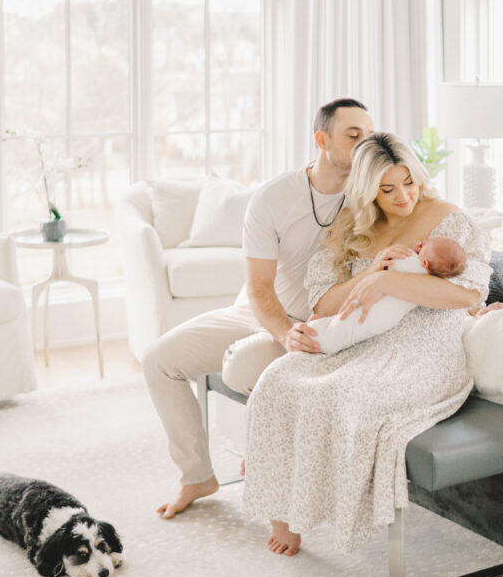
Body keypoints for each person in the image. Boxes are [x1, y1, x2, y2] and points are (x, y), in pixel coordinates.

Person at [241, 131, 492, 556]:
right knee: (277, 381)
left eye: (409, 182)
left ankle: (328, 510)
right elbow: (322, 303)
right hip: (355, 337)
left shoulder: (453, 221)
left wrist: (390, 280)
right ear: (367, 189)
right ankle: (283, 514)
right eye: (387, 188)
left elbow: (468, 296)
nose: (403, 196)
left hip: (424, 342)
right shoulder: (351, 228)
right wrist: (370, 272)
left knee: (341, 396)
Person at [143, 98, 374, 518]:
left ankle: (272, 471)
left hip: (324, 327)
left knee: (246, 367)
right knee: (158, 360)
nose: (364, 145)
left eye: (369, 136)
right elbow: (259, 287)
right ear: (322, 140)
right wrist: (284, 332)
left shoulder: (374, 193)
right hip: (261, 310)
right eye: (353, 136)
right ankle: (196, 475)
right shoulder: (274, 197)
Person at [310, 235, 466, 354]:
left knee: (346, 326)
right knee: (350, 329)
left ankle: (316, 334)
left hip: (380, 317)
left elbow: (394, 263)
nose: (420, 243)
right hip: (388, 319)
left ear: (425, 263)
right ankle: (319, 333)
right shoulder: (429, 278)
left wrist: (395, 256)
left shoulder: (411, 262)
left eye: (423, 246)